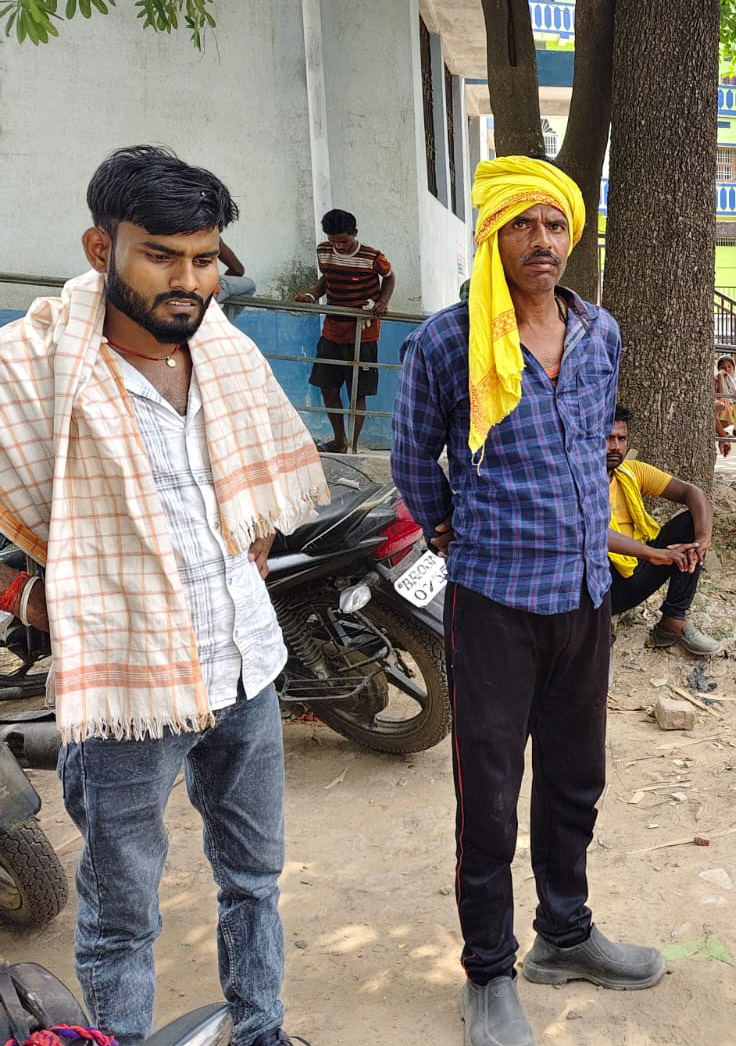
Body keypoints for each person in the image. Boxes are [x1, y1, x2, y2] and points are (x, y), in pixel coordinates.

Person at [0, 145, 327, 1046]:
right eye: (161, 255)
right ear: (100, 248)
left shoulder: (225, 352)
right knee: (121, 913)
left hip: (246, 669)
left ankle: (261, 1031)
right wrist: (30, 602)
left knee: (254, 880)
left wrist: (254, 532)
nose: (188, 280)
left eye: (205, 258)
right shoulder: (32, 372)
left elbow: (262, 480)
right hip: (126, 692)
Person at [392, 157, 663, 1046]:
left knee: (577, 775)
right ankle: (488, 971)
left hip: (584, 594)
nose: (541, 241)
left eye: (554, 225)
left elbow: (595, 446)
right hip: (495, 601)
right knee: (490, 793)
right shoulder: (446, 342)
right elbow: (413, 458)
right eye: (522, 224)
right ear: (491, 236)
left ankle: (566, 934)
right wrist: (450, 526)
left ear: (571, 235)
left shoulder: (598, 332)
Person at [605, 407, 720, 656]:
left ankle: (672, 621)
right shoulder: (575, 482)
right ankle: (598, 639)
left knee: (689, 524)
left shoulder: (632, 472)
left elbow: (692, 493)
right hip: (600, 584)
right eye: (607, 438)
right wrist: (652, 553)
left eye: (621, 439)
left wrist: (701, 541)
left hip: (636, 571)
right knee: (587, 553)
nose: (615, 446)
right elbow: (591, 534)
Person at [294, 209, 394, 454]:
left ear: (355, 233)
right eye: (334, 241)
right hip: (332, 332)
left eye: (344, 241)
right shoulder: (323, 251)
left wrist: (383, 301)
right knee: (328, 388)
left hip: (363, 333)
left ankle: (353, 446)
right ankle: (339, 441)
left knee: (357, 393)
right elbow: (326, 279)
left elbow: (390, 277)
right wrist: (311, 295)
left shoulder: (372, 256)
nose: (339, 246)